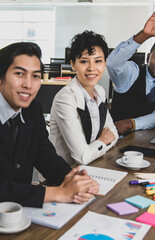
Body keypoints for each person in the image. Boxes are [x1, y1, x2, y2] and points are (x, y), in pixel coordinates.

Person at [0, 42, 99, 210]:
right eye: (19, 74)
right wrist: (58, 194)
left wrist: (72, 178)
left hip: (22, 211)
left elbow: (44, 154)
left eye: (36, 76)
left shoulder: (32, 108)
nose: (28, 85)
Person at [107, 4, 155, 136]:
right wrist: (143, 35)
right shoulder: (133, 72)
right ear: (148, 57)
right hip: (116, 139)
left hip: (148, 138)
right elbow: (112, 63)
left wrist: (132, 123)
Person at [49, 31, 118, 165]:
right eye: (84, 61)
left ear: (104, 63)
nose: (91, 68)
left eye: (98, 61)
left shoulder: (100, 92)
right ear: (73, 64)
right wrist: (103, 140)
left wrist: (97, 146)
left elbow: (113, 133)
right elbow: (82, 157)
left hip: (92, 166)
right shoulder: (66, 98)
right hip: (63, 175)